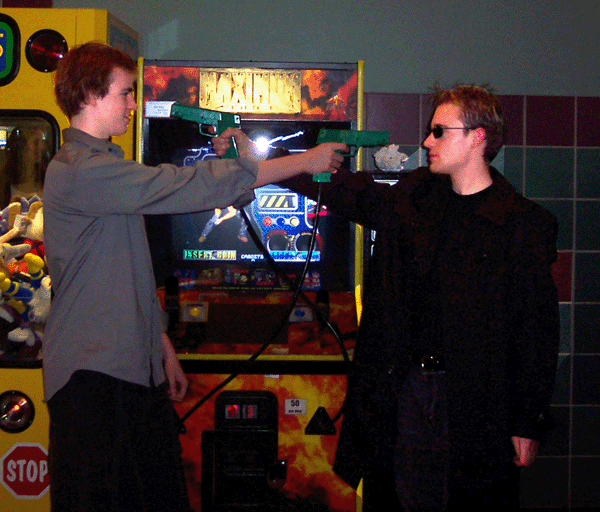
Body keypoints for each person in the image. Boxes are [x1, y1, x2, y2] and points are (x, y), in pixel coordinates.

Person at [218, 84, 560, 511]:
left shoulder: (521, 225)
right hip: (408, 387)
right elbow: (345, 190)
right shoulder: (415, 198)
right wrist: (259, 158)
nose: (427, 141)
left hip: (478, 398)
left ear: (478, 137)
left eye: (440, 131)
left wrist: (528, 421)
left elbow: (536, 332)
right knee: (402, 495)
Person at [42, 42, 346, 512]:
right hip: (93, 378)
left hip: (129, 367)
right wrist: (304, 161)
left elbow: (127, 272)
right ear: (88, 95)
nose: (133, 104)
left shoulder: (108, 167)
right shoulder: (80, 171)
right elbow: (184, 185)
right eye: (124, 93)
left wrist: (161, 346)